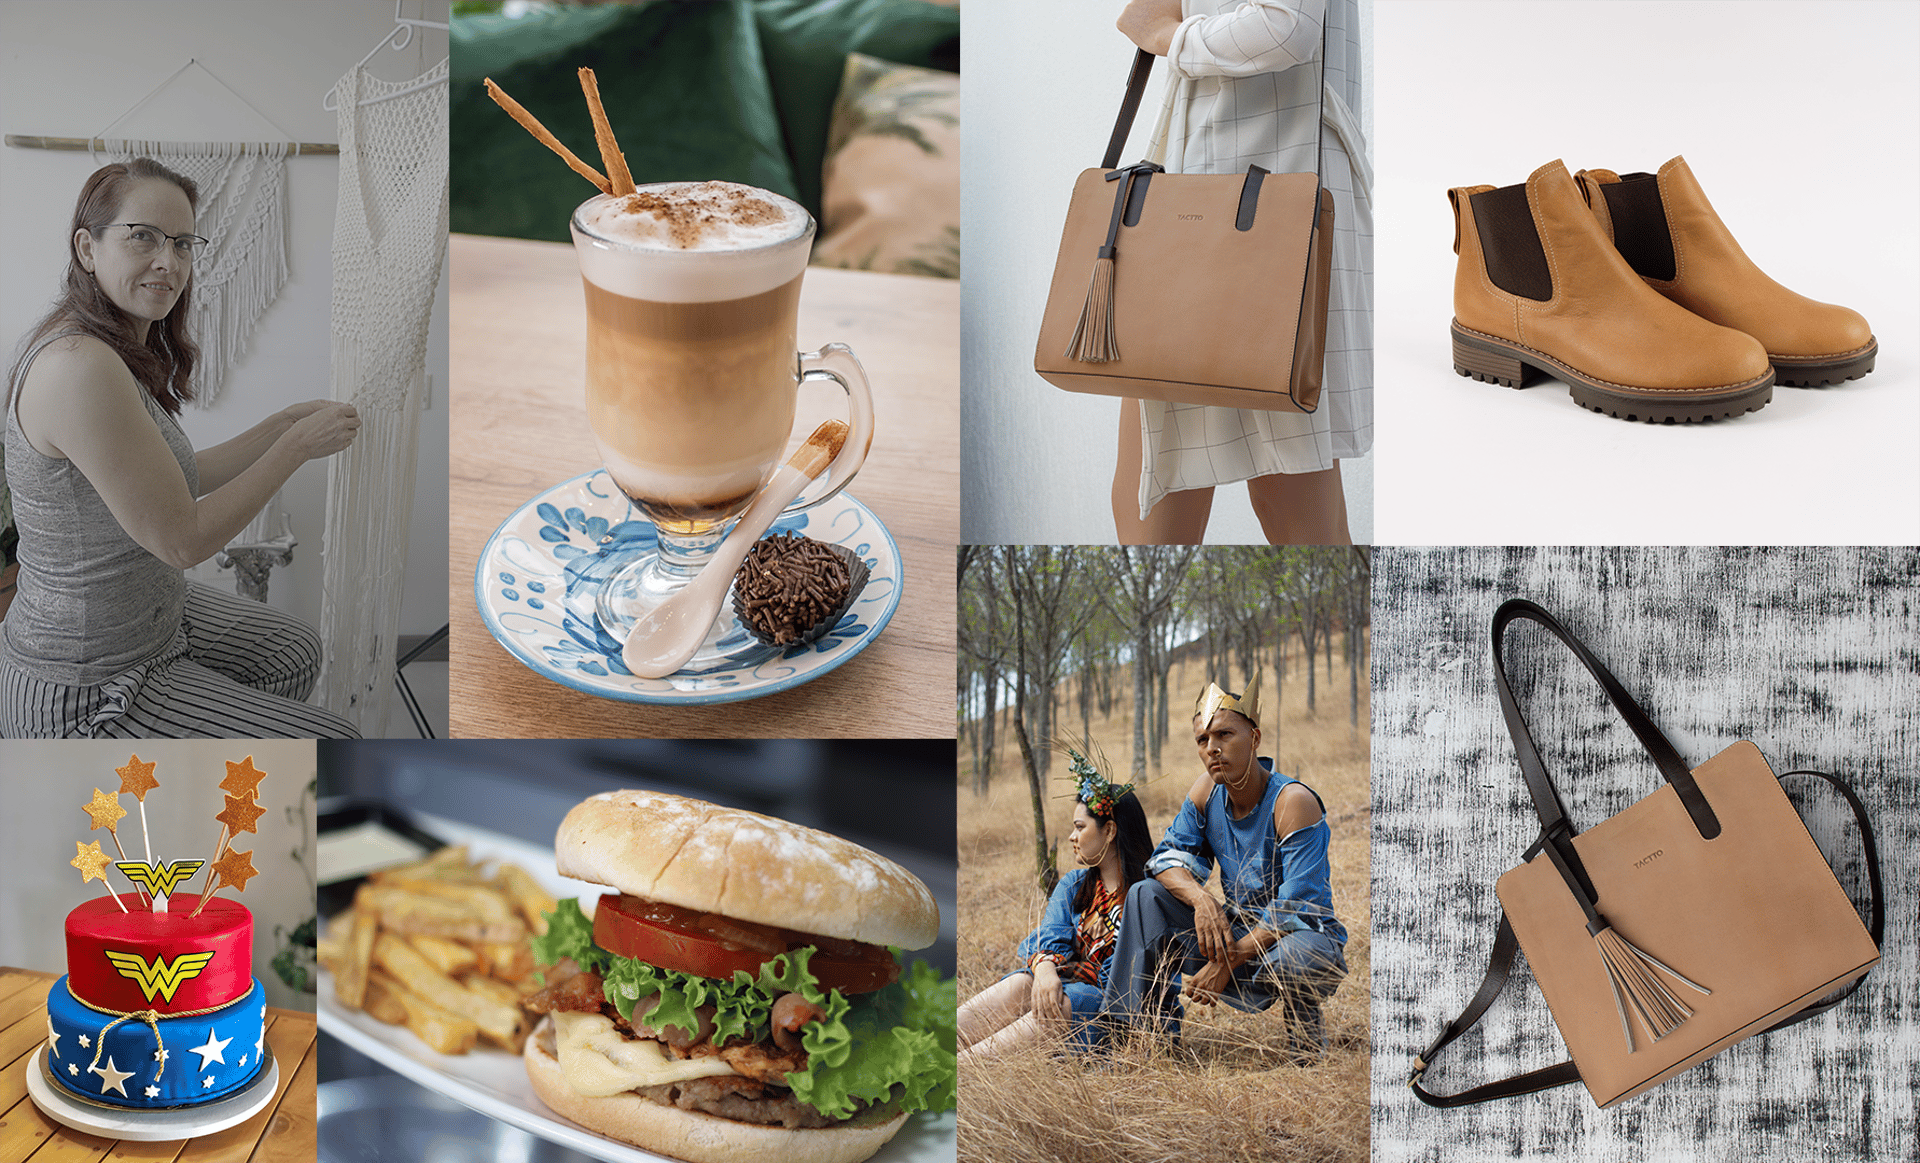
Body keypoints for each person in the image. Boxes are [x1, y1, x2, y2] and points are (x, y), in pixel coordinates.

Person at [2, 158, 362, 738]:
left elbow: (171, 481)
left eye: (184, 244)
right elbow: (182, 539)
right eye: (142, 236)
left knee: (292, 651)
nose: (169, 263)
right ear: (87, 248)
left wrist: (278, 424)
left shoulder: (109, 347)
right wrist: (294, 447)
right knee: (338, 741)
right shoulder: (79, 369)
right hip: (87, 685)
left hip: (151, 623)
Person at [1110, 0, 1371, 544]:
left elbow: (1284, 29)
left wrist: (1165, 34)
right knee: (1195, 459)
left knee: (1278, 467)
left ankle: (1346, 621)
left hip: (1262, 199)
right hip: (1229, 191)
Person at [1101, 675, 1347, 1058]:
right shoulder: (1205, 793)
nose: (1213, 748)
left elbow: (1297, 905)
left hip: (1299, 938)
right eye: (1203, 740)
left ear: (1255, 738)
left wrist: (1227, 961)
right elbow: (1165, 860)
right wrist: (1202, 900)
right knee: (1144, 896)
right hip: (1236, 931)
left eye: (1225, 735)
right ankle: (1140, 1035)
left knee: (1297, 957)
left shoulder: (1292, 801)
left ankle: (1305, 1042)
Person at [958, 751, 1153, 1062]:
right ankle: (932, 1049)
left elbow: (1132, 984)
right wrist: (1047, 971)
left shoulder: (1146, 896)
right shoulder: (1076, 885)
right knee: (1025, 981)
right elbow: (1050, 933)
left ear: (1110, 830)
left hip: (1118, 1019)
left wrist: (1060, 982)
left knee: (1069, 996)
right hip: (1067, 995)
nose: (1072, 837)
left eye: (1080, 827)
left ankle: (963, 1070)